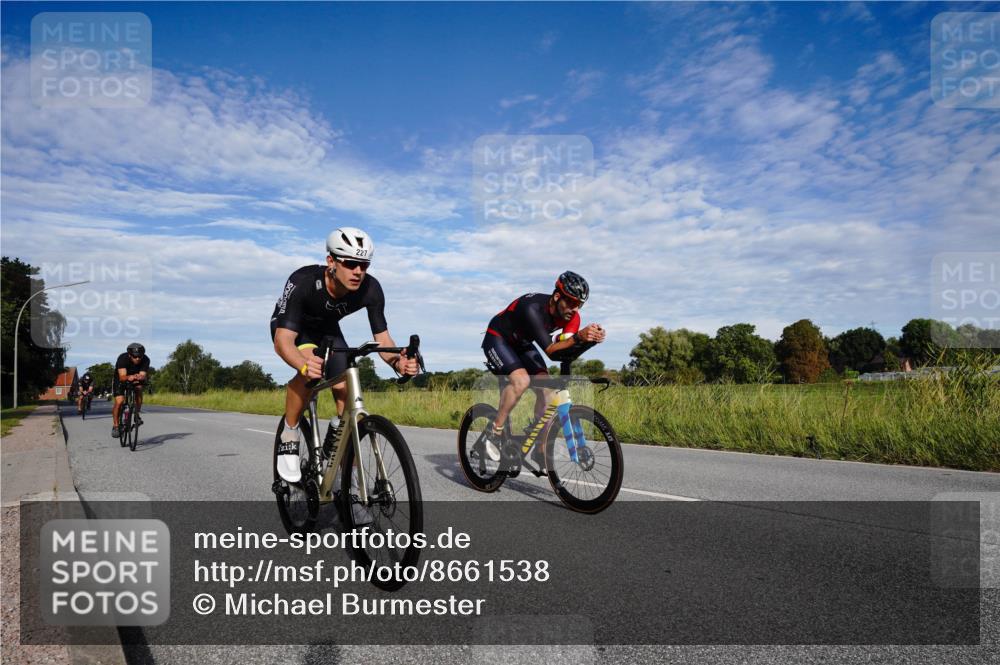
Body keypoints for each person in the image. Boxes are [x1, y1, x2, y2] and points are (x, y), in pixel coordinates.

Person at [271, 227, 418, 483]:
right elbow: (283, 342)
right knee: (311, 371)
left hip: (328, 330)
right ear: (332, 261)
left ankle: (337, 457)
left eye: (364, 264)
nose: (358, 271)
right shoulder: (304, 282)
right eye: (350, 263)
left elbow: (382, 339)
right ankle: (290, 433)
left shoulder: (370, 289)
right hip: (295, 329)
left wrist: (398, 361)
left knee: (345, 388)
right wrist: (304, 366)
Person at [481, 271, 606, 463]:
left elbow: (565, 349)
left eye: (579, 304)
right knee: (521, 381)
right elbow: (550, 351)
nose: (575, 309)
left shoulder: (573, 317)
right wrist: (579, 337)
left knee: (548, 390)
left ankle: (540, 448)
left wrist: (588, 341)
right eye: (571, 302)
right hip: (498, 338)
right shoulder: (532, 308)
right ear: (557, 297)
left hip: (522, 344)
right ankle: (494, 431)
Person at [112, 343, 150, 438]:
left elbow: (143, 375)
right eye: (135, 356)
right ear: (129, 355)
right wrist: (130, 377)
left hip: (135, 378)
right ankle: (116, 426)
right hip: (121, 378)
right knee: (120, 401)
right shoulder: (122, 358)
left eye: (140, 356)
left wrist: (140, 377)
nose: (137, 359)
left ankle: (136, 415)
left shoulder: (145, 359)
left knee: (139, 388)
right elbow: (122, 377)